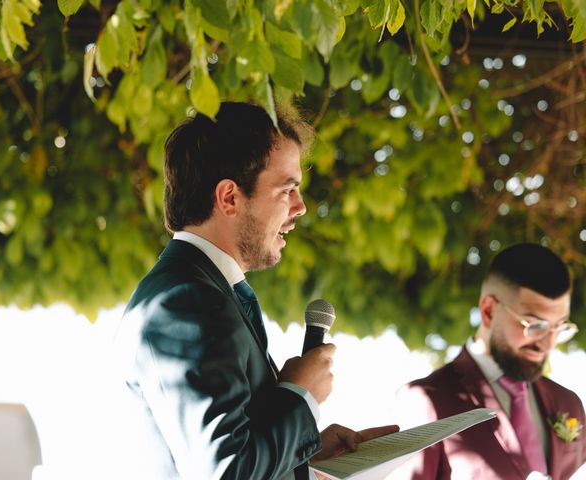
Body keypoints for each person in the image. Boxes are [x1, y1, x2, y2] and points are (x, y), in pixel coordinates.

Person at [112, 101, 397, 479]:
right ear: (229, 197)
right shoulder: (186, 302)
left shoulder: (200, 291)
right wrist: (300, 396)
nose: (301, 207)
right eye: (287, 190)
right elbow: (228, 470)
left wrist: (303, 461)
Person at [386, 243, 585, 480]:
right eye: (535, 325)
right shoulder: (425, 401)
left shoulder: (569, 402)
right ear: (489, 310)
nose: (547, 342)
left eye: (558, 327)